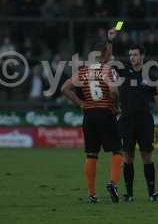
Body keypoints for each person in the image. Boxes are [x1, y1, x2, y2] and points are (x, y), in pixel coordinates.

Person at [61, 30, 123, 203]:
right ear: (104, 54)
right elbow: (113, 90)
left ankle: (91, 194)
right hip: (105, 112)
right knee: (118, 150)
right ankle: (112, 183)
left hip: (89, 115)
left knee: (91, 155)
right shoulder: (107, 70)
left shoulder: (83, 71)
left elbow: (64, 89)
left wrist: (81, 104)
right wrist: (116, 106)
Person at [110, 38, 158, 202]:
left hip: (144, 120)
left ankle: (152, 192)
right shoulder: (123, 71)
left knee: (147, 156)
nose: (132, 58)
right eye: (130, 55)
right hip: (127, 119)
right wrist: (113, 34)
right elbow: (108, 59)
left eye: (135, 55)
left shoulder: (151, 75)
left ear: (143, 56)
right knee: (128, 157)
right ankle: (129, 194)